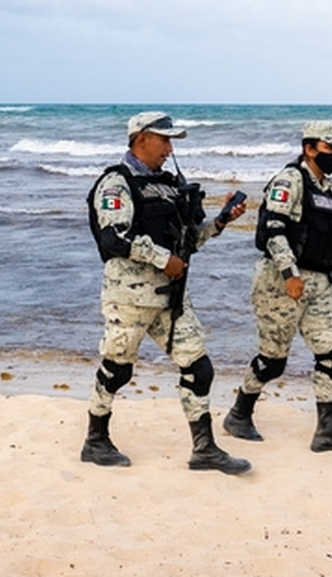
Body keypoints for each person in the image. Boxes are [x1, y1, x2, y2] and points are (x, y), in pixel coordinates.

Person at [81, 111, 251, 475]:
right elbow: (115, 238)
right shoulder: (117, 183)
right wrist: (163, 260)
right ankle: (95, 440)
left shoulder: (169, 185)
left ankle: (204, 449)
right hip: (130, 296)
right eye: (165, 140)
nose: (170, 148)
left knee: (199, 366)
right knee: (117, 369)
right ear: (141, 138)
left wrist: (221, 221)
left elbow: (188, 242)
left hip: (170, 298)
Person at [222, 120, 332, 453]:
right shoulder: (290, 180)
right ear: (309, 148)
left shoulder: (325, 190)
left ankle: (327, 433)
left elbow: (327, 234)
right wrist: (290, 274)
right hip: (281, 281)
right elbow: (274, 229)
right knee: (273, 361)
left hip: (317, 283)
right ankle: (238, 415)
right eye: (328, 148)